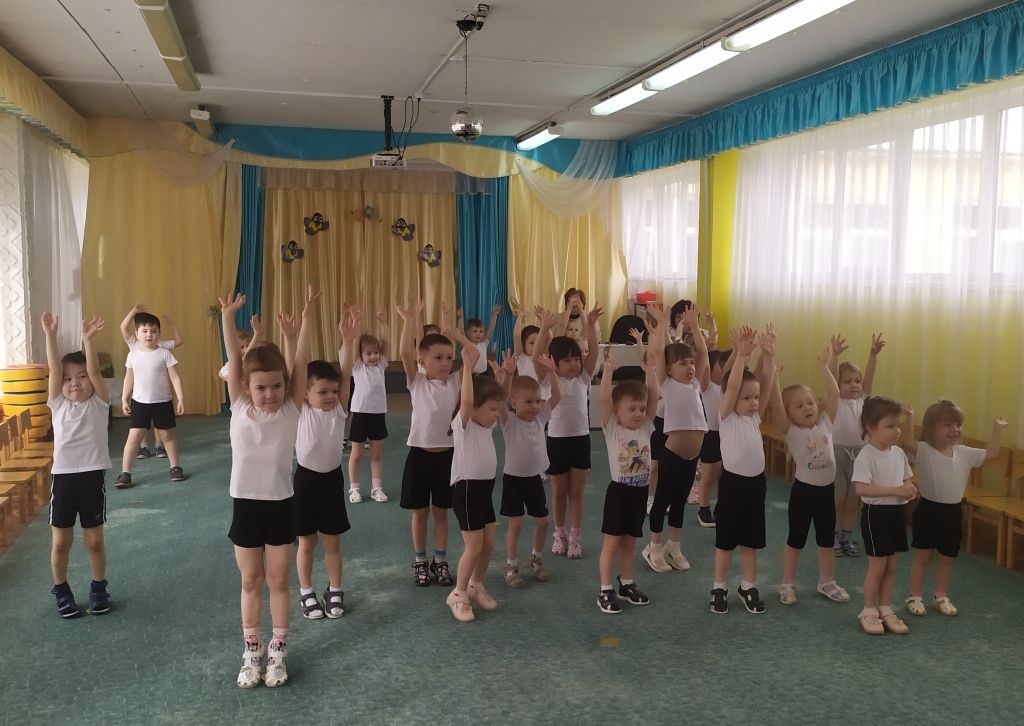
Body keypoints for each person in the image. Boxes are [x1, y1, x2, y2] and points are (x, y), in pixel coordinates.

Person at [220, 286, 319, 688]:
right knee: (250, 581)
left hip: (280, 506)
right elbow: (233, 357)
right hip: (246, 506)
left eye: (276, 386)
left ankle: (278, 648)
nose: (270, 394)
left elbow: (301, 362)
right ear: (246, 387)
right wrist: (228, 317)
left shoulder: (291, 409)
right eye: (261, 387)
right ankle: (251, 649)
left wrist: (307, 320)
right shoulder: (240, 405)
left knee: (278, 580)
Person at [902, 401, 1008, 618]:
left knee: (947, 558)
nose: (955, 430)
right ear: (932, 428)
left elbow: (991, 452)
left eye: (958, 425)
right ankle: (915, 596)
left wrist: (997, 429)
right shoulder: (924, 450)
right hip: (928, 511)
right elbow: (906, 441)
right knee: (924, 556)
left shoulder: (964, 452)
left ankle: (941, 596)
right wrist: (910, 417)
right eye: (947, 425)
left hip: (952, 513)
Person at [42, 312, 112, 618]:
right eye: (69, 379)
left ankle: (98, 587)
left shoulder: (99, 403)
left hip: (92, 477)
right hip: (64, 479)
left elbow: (95, 372)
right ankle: (61, 589)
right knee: (61, 543)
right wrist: (50, 335)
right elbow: (55, 370)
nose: (75, 383)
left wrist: (88, 340)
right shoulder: (57, 404)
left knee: (94, 541)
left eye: (81, 377)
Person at [769, 346, 850, 606]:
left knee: (826, 541)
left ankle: (827, 582)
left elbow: (834, 395)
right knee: (796, 539)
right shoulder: (791, 431)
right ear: (790, 413)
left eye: (810, 402)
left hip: (827, 493)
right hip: (804, 493)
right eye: (799, 405)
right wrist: (774, 378)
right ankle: (787, 583)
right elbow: (776, 407)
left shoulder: (826, 423)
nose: (807, 408)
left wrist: (824, 367)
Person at [294, 304, 360, 621]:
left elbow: (345, 375)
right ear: (305, 393)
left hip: (332, 481)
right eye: (322, 391)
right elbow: (298, 368)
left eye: (334, 391)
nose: (331, 395)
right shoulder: (301, 411)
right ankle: (306, 591)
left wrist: (348, 340)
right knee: (306, 543)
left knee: (333, 542)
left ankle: (335, 588)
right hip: (305, 482)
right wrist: (305, 321)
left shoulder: (339, 410)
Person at [709, 325, 775, 615]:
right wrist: (742, 356)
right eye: (747, 398)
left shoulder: (754, 418)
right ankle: (719, 586)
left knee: (751, 543)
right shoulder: (726, 417)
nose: (754, 402)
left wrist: (769, 356)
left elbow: (767, 386)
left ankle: (748, 586)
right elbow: (733, 385)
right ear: (731, 398)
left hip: (755, 486)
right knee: (726, 544)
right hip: (733, 487)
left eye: (755, 398)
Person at [595, 332, 662, 614]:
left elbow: (654, 396)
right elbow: (603, 401)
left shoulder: (646, 426)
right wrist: (608, 372)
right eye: (631, 408)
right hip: (619, 493)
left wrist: (651, 372)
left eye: (641, 408)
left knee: (631, 543)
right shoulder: (612, 428)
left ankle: (627, 583)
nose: (638, 413)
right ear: (617, 410)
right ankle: (605, 589)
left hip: (639, 493)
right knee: (612, 543)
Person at [396, 300, 461, 587]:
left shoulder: (456, 382)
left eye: (449, 357)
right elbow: (403, 353)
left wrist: (456, 334)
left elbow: (472, 355)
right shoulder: (418, 383)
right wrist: (409, 321)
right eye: (438, 357)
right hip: (420, 456)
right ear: (422, 362)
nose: (446, 362)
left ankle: (441, 560)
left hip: (448, 457)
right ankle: (421, 560)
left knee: (442, 513)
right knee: (420, 513)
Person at [642, 303, 707, 574]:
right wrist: (661, 325)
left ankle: (674, 547)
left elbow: (703, 352)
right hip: (672, 454)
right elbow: (659, 353)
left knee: (680, 503)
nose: (690, 367)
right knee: (663, 501)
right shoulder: (667, 385)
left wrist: (695, 327)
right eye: (683, 363)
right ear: (669, 369)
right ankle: (654, 547)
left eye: (691, 363)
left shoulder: (695, 385)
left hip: (692, 457)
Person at [445, 345, 508, 622]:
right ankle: (458, 594)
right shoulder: (464, 425)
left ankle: (475, 584)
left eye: (497, 409)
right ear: (474, 408)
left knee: (489, 545)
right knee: (474, 548)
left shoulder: (486, 425)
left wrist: (504, 377)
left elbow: (500, 400)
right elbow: (468, 401)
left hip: (484, 492)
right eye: (492, 409)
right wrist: (468, 369)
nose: (497, 414)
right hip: (467, 491)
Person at [535, 305, 602, 559]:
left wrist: (590, 325)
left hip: (581, 440)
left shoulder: (582, 378)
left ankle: (575, 536)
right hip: (557, 441)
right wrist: (544, 328)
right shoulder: (547, 378)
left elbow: (593, 351)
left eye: (576, 359)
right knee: (558, 492)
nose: (574, 364)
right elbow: (536, 355)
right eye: (567, 360)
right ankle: (559, 533)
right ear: (554, 362)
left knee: (576, 492)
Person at [852, 396, 915, 635]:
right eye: (890, 426)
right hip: (876, 515)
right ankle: (869, 610)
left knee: (890, 566)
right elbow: (861, 488)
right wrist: (896, 490)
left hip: (896, 514)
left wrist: (908, 488)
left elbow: (906, 478)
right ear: (870, 427)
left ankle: (886, 608)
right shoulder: (866, 455)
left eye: (898, 425)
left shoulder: (898, 453)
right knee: (877, 567)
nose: (897, 431)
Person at [498, 351, 561, 588]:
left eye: (537, 401)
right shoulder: (508, 421)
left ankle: (535, 557)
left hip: (534, 479)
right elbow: (500, 400)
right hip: (513, 480)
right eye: (528, 402)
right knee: (516, 524)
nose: (535, 406)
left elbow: (556, 396)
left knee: (543, 522)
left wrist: (552, 372)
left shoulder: (540, 418)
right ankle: (511, 564)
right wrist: (508, 374)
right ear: (513, 402)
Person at [115, 310, 187, 487]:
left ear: (159, 334)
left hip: (163, 402)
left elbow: (175, 378)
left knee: (167, 435)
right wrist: (124, 398)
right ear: (137, 333)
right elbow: (129, 378)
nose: (149, 335)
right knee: (134, 437)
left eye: (154, 331)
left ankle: (175, 467)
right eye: (145, 331)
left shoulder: (164, 353)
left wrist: (181, 398)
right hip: (139, 403)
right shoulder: (132, 354)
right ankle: (125, 472)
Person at [829, 332, 886, 556]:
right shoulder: (836, 400)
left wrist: (873, 354)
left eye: (857, 381)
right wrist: (834, 356)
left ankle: (846, 536)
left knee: (853, 500)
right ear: (838, 384)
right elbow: (831, 377)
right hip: (836, 453)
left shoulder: (864, 401)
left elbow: (870, 377)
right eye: (847, 381)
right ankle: (833, 536)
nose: (854, 385)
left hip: (860, 455)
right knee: (837, 499)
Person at [348, 306, 391, 504]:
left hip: (378, 413)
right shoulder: (357, 366)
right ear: (360, 355)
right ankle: (354, 488)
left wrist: (383, 323)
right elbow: (355, 343)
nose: (373, 356)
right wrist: (356, 322)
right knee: (356, 454)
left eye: (376, 352)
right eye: (368, 353)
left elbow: (386, 342)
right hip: (360, 413)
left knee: (376, 454)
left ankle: (376, 488)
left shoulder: (381, 364)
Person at [696, 347, 735, 527]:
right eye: (720, 365)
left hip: (726, 434)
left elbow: (731, 370)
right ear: (711, 369)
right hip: (710, 436)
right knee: (708, 476)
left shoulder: (728, 388)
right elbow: (704, 363)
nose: (725, 369)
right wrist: (704, 345)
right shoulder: (706, 387)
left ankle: (721, 508)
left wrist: (740, 351)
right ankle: (703, 510)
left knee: (723, 476)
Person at [459, 304, 501, 375]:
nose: (478, 334)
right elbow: (461, 333)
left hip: (484, 374)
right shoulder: (467, 344)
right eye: (475, 331)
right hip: (470, 374)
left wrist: (495, 314)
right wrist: (460, 317)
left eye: (481, 331)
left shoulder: (484, 343)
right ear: (468, 333)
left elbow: (491, 328)